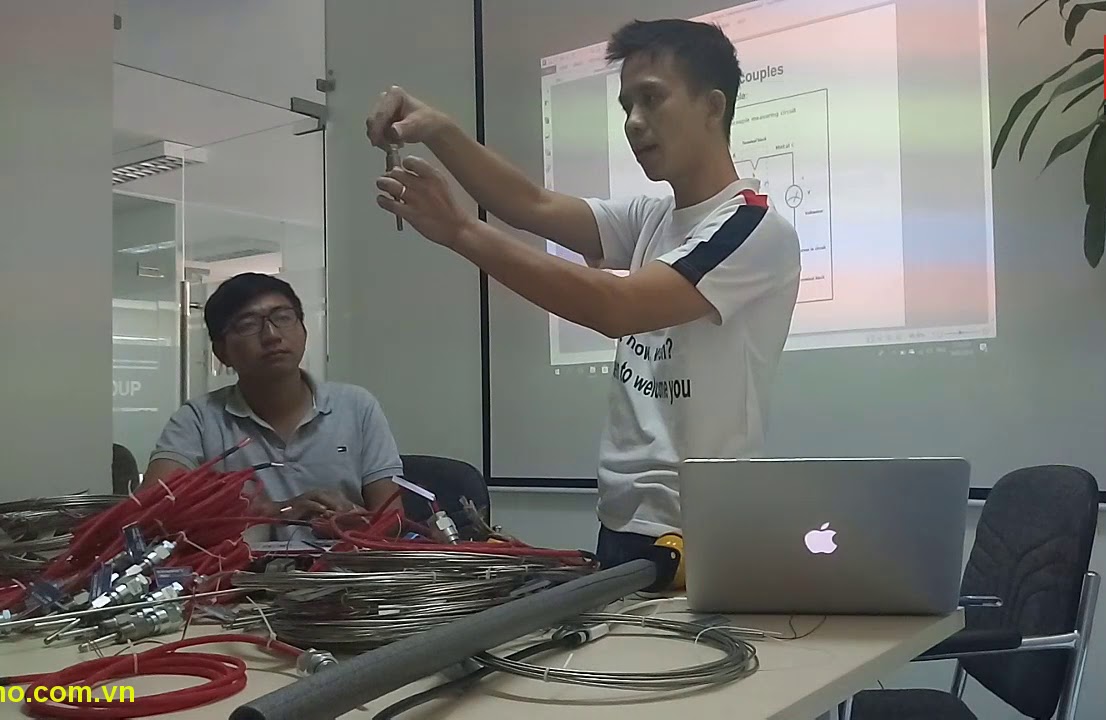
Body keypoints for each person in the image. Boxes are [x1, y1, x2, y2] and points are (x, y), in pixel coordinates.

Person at [366, 19, 801, 567]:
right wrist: (439, 129)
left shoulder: (753, 228)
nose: (634, 122)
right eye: (626, 105)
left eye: (651, 99)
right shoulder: (653, 217)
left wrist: (460, 231)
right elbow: (533, 204)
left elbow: (616, 307)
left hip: (695, 527)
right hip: (621, 519)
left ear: (713, 107)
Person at [143, 273, 404, 525]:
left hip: (345, 555)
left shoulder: (355, 407)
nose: (271, 335)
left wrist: (353, 522)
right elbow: (148, 513)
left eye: (283, 318)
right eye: (248, 325)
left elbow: (394, 521)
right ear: (221, 352)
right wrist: (277, 512)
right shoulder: (199, 418)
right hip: (240, 556)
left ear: (304, 331)